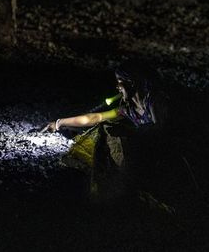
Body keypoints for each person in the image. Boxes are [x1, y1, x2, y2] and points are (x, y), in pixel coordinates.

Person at [43, 60, 169, 202]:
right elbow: (96, 117)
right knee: (105, 126)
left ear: (132, 83)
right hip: (145, 152)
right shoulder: (128, 109)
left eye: (120, 81)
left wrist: (129, 132)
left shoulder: (153, 100)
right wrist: (60, 123)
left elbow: (160, 129)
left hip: (164, 155)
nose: (118, 87)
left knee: (112, 130)